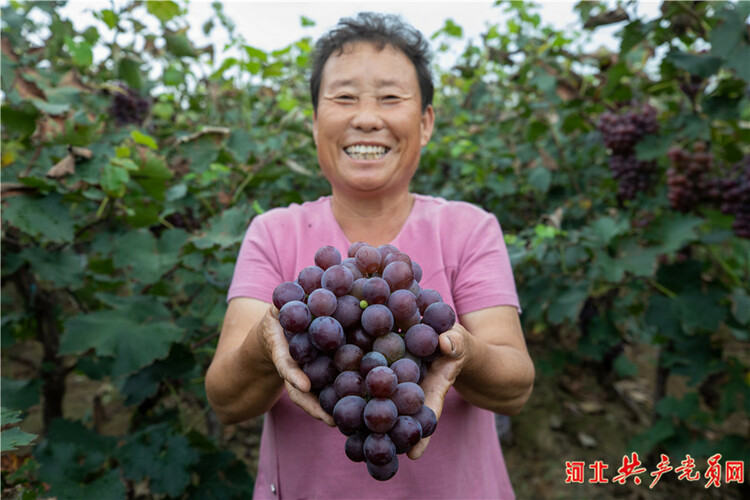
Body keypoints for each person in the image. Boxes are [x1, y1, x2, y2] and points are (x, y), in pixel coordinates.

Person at [205, 12, 535, 499]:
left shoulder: (468, 228)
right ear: (315, 122)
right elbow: (227, 402)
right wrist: (265, 342)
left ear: (425, 123)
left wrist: (457, 349)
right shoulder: (273, 233)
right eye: (343, 97)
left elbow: (516, 388)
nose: (366, 116)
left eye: (390, 97)